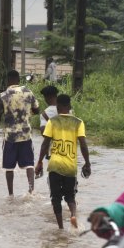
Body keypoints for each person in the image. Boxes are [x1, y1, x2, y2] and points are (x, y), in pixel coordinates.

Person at [34, 94, 91, 229]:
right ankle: (72, 215)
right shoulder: (78, 122)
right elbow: (83, 144)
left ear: (57, 107)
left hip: (55, 166)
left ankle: (60, 228)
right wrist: (87, 163)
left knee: (56, 199)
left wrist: (40, 162)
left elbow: (45, 144)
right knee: (71, 197)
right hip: (70, 167)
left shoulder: (52, 122)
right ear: (70, 107)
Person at [0, 69, 40, 196]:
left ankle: (11, 194)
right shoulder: (28, 92)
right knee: (29, 164)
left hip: (10, 137)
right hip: (26, 135)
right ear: (18, 80)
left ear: (8, 81)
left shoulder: (2, 96)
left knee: (9, 167)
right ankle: (31, 190)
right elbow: (37, 109)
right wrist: (27, 114)